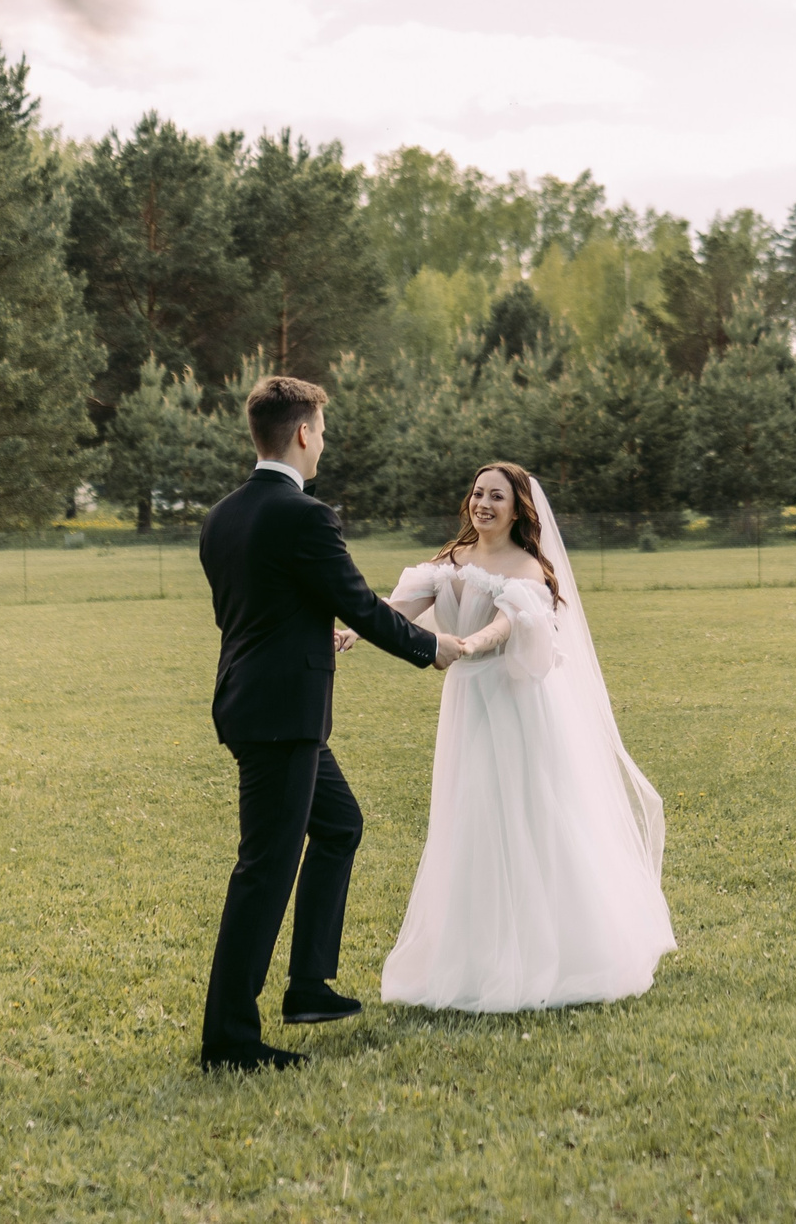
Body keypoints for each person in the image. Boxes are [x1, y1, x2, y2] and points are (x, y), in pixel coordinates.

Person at [194, 375, 475, 1071]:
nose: (325, 442)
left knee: (340, 825)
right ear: (301, 433)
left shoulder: (223, 515)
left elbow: (256, 608)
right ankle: (229, 1040)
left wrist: (303, 632)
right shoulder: (303, 515)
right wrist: (429, 646)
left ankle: (309, 986)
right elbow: (355, 602)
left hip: (256, 701)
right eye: (322, 430)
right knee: (263, 871)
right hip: (282, 715)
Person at [352, 462, 676, 1012]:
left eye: (495, 496)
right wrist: (351, 632)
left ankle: (560, 950)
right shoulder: (449, 561)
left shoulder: (527, 568)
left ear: (517, 507)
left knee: (528, 814)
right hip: (466, 705)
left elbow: (507, 624)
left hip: (514, 705)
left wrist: (467, 646)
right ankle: (476, 956)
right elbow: (395, 612)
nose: (482, 503)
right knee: (470, 816)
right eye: (477, 493)